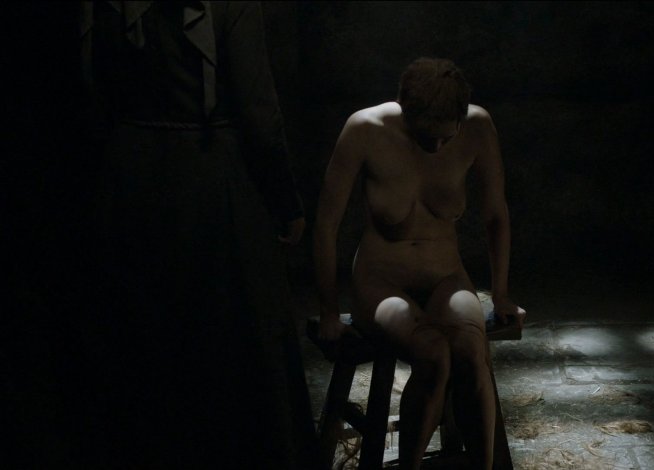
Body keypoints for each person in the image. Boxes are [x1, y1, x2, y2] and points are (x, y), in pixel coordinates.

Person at [78, 2, 320, 468]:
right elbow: (259, 114)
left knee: (143, 342)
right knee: (230, 342)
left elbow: (91, 91)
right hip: (210, 186)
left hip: (128, 182)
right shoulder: (232, 4)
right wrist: (285, 202)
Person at [314, 57, 526, 469]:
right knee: (433, 354)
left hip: (446, 275)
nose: (437, 148)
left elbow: (496, 215)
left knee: (471, 352)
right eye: (427, 138)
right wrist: (328, 311)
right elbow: (326, 224)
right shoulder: (365, 128)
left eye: (447, 138)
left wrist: (500, 294)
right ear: (406, 113)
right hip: (380, 280)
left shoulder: (478, 126)